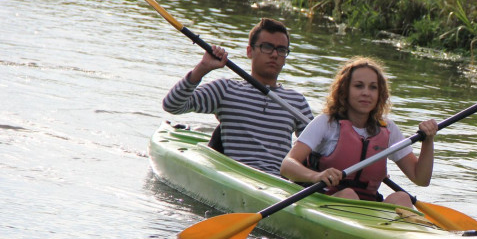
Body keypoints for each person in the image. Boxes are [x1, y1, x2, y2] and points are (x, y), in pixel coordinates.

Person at [162, 18, 313, 176]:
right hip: (236, 177)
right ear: (250, 51)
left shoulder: (296, 101)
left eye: (281, 50)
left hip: (277, 184)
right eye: (267, 47)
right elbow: (172, 105)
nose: (275, 55)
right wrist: (202, 68)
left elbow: (321, 147)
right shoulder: (225, 89)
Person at [280, 57, 437, 207]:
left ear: (379, 94)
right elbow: (287, 165)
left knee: (402, 197)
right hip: (321, 199)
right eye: (358, 86)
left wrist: (428, 141)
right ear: (344, 91)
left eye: (373, 87)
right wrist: (317, 176)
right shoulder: (327, 123)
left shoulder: (388, 129)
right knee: (348, 194)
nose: (366, 93)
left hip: (366, 208)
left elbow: (421, 179)